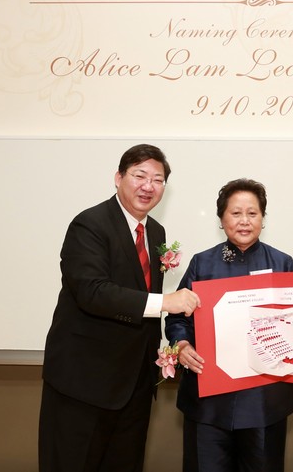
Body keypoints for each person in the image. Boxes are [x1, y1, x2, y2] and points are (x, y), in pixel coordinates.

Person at [38, 144, 201, 472]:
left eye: (157, 180)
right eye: (140, 175)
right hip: (84, 384)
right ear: (118, 178)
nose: (148, 186)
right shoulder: (90, 225)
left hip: (135, 387)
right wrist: (166, 302)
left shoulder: (155, 231)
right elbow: (92, 292)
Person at [165, 178, 293, 472]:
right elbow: (177, 318)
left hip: (265, 403)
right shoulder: (202, 264)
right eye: (235, 213)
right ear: (221, 219)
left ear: (263, 219)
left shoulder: (282, 263)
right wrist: (183, 344)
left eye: (252, 213)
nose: (244, 221)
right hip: (208, 403)